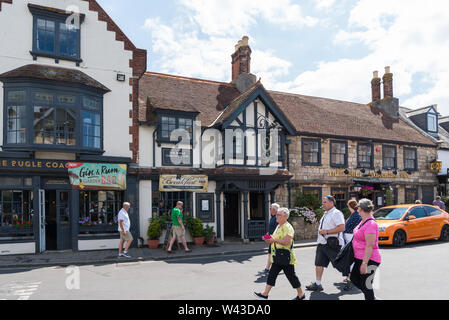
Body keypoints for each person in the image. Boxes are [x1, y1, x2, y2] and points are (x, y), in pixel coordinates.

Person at [254, 208, 305, 300]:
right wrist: (268, 238)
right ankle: (265, 294)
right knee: (272, 274)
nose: (276, 216)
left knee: (291, 276)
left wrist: (274, 240)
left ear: (285, 217)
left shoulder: (288, 227)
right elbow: (274, 238)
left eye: (278, 215)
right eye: (276, 214)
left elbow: (287, 242)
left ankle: (301, 295)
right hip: (278, 256)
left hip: (285, 256)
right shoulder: (279, 226)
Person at [306, 195, 345, 292]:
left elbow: (342, 227)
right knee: (319, 263)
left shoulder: (336, 213)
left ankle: (351, 280)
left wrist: (327, 232)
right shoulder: (326, 213)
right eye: (322, 202)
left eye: (325, 202)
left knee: (339, 264)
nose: (322, 204)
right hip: (322, 243)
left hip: (333, 244)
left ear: (332, 203)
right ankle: (318, 284)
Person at [350, 198, 382, 300]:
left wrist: (365, 263)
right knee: (354, 278)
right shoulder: (363, 221)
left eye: (358, 207)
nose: (357, 209)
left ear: (361, 209)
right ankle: (371, 297)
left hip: (370, 259)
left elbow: (370, 245)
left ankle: (371, 297)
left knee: (366, 285)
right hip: (359, 257)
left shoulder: (371, 224)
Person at [342, 199, 362, 291]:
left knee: (351, 258)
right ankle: (350, 277)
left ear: (350, 206)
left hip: (351, 238)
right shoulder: (355, 215)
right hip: (349, 238)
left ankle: (351, 278)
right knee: (350, 258)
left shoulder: (356, 215)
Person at [261, 203, 280, 274]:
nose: (269, 209)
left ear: (274, 210)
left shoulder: (276, 218)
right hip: (272, 239)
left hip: (274, 239)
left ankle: (267, 268)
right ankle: (267, 268)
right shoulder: (273, 217)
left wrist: (271, 237)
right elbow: (271, 229)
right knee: (270, 253)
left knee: (272, 254)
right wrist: (267, 235)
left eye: (270, 208)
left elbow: (276, 229)